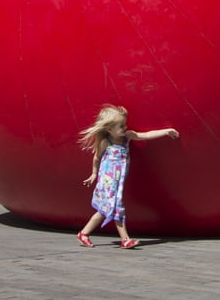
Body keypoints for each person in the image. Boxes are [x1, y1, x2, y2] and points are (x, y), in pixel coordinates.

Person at [76, 104, 179, 249]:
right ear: (109, 129)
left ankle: (84, 233)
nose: (125, 128)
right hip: (108, 180)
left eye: (124, 124)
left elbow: (146, 135)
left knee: (105, 210)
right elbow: (96, 158)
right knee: (116, 207)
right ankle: (125, 239)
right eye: (121, 126)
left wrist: (166, 131)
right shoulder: (106, 142)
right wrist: (93, 173)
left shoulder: (128, 136)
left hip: (118, 180)